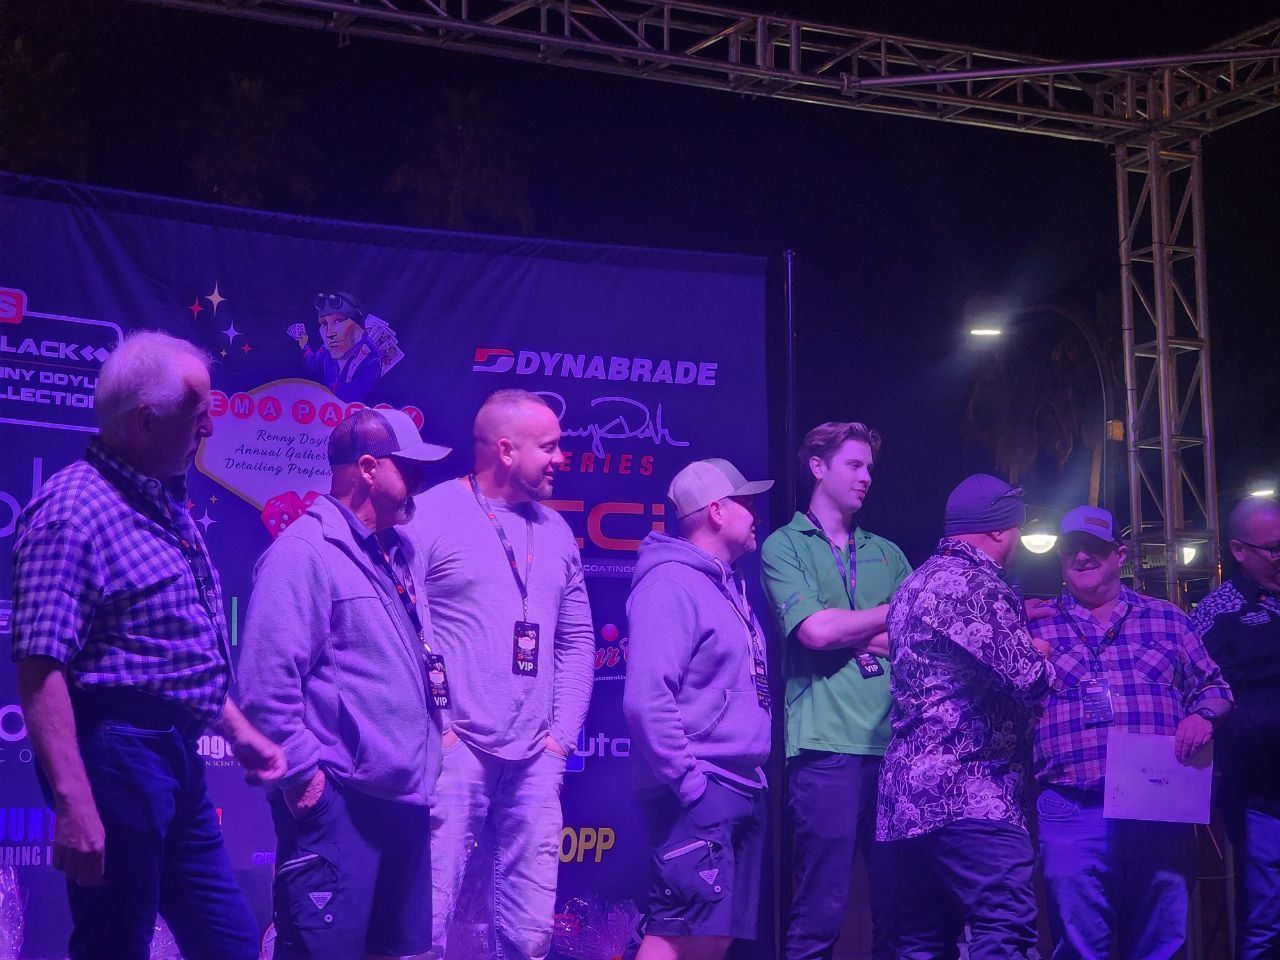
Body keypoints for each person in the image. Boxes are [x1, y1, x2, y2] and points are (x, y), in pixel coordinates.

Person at [11, 330, 286, 960]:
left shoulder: (160, 500)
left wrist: (239, 730)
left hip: (173, 759)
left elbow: (162, 654)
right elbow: (40, 669)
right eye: (197, 417)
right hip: (115, 758)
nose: (208, 431)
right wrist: (76, 804)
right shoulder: (73, 510)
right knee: (115, 945)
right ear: (145, 420)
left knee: (231, 945)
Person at [238, 408, 452, 960]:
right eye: (409, 469)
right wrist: (306, 785)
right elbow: (265, 685)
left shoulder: (398, 551)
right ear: (367, 469)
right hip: (341, 806)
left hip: (403, 802)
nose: (420, 484)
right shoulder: (303, 552)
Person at [409, 388, 596, 960]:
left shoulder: (557, 531)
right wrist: (441, 727)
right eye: (551, 447)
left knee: (531, 931)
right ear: (507, 451)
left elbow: (577, 639)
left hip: (537, 756)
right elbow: (406, 629)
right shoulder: (431, 515)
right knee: (428, 916)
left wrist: (560, 737)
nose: (562, 458)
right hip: (456, 749)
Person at [1029, 505, 1232, 960]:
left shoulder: (1168, 618)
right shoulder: (1034, 624)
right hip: (1072, 806)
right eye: (1071, 550)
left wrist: (1203, 716)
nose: (1081, 557)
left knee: (1161, 944)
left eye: (1094, 549)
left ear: (1119, 554)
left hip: (1158, 806)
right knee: (1079, 947)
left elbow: (1215, 687)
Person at [876, 474, 1053, 960]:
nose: (1019, 540)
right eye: (1017, 528)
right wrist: (1039, 651)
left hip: (908, 802)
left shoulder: (914, 583)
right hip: (972, 792)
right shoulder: (975, 585)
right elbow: (1027, 678)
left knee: (923, 940)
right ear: (998, 530)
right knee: (1005, 926)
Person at [759, 421, 910, 960]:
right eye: (854, 464)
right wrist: (885, 616)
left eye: (870, 467)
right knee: (819, 913)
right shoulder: (784, 545)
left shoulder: (887, 553)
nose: (866, 477)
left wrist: (850, 626)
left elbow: (914, 640)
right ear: (818, 467)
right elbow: (813, 632)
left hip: (895, 750)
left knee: (900, 912)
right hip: (825, 747)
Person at [624, 458, 775, 960]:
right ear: (715, 510)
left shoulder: (726, 585)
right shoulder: (669, 584)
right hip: (699, 783)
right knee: (676, 931)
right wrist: (689, 782)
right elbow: (647, 699)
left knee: (712, 936)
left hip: (740, 781)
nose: (755, 513)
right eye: (745, 502)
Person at [1191, 496, 1280, 960]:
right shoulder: (1216, 613)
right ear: (1240, 550)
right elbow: (1200, 692)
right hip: (1260, 796)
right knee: (1265, 921)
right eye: (1275, 549)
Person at [293, 291, 383, 401]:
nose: (329, 334)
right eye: (324, 324)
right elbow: (313, 365)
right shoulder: (326, 349)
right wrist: (304, 345)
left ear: (358, 326)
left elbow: (354, 396)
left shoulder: (370, 356)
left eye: (338, 321)